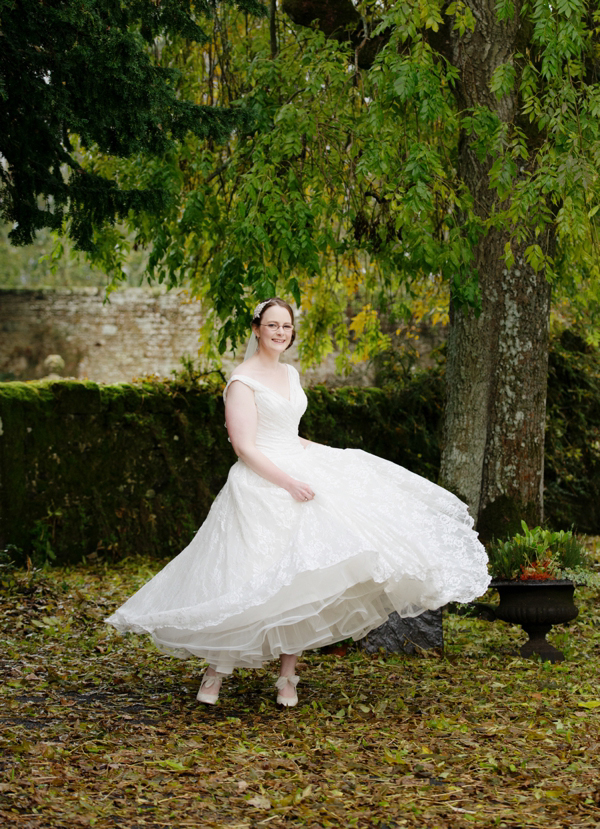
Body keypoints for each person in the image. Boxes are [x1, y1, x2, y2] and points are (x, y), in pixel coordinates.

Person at [106, 297, 490, 707]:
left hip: (299, 471)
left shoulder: (290, 374)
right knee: (248, 579)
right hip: (261, 485)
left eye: (286, 326)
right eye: (272, 325)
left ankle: (287, 677)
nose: (279, 333)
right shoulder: (241, 381)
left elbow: (290, 432)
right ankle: (216, 671)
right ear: (256, 329)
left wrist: (325, 456)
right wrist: (288, 482)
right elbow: (244, 447)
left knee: (304, 576)